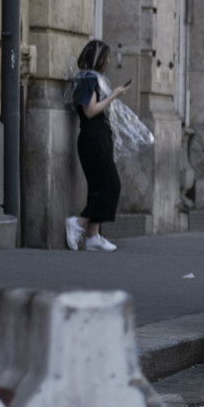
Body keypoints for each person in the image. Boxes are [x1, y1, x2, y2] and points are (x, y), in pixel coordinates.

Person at [65, 40, 130, 252]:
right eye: (106, 57)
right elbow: (90, 111)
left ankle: (93, 237)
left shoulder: (91, 78)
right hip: (93, 137)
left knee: (98, 187)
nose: (109, 61)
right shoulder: (88, 77)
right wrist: (115, 95)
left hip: (97, 137)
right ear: (97, 58)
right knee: (112, 185)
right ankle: (78, 223)